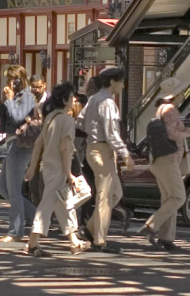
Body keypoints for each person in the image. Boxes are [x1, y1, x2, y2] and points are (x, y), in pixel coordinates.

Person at [24, 81, 92, 256]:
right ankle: (32, 243)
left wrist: (32, 167)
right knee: (47, 205)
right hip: (59, 168)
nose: (74, 99)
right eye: (71, 97)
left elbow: (39, 143)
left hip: (47, 167)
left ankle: (74, 241)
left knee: (64, 205)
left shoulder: (51, 117)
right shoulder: (67, 120)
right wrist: (70, 173)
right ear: (64, 100)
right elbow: (65, 148)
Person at [75, 67, 135, 254]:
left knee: (113, 193)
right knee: (105, 195)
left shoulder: (93, 99)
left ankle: (89, 229)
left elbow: (80, 121)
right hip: (103, 150)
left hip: (93, 148)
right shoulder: (108, 103)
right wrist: (125, 154)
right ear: (112, 82)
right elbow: (111, 133)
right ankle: (100, 240)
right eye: (121, 81)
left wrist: (92, 132)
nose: (123, 85)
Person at [137, 78, 190, 251]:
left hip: (159, 159)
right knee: (178, 197)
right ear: (175, 95)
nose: (183, 95)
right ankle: (151, 226)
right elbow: (171, 133)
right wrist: (187, 133)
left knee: (168, 199)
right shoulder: (170, 110)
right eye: (181, 92)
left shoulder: (160, 109)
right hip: (168, 160)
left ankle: (166, 238)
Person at [0, 65, 38, 241]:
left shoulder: (27, 97)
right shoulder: (14, 97)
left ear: (19, 80)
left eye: (11, 80)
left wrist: (10, 100)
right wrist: (4, 100)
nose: (8, 83)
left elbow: (18, 117)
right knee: (3, 188)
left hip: (22, 145)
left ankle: (15, 232)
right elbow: (4, 123)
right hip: (12, 142)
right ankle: (37, 218)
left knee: (13, 190)